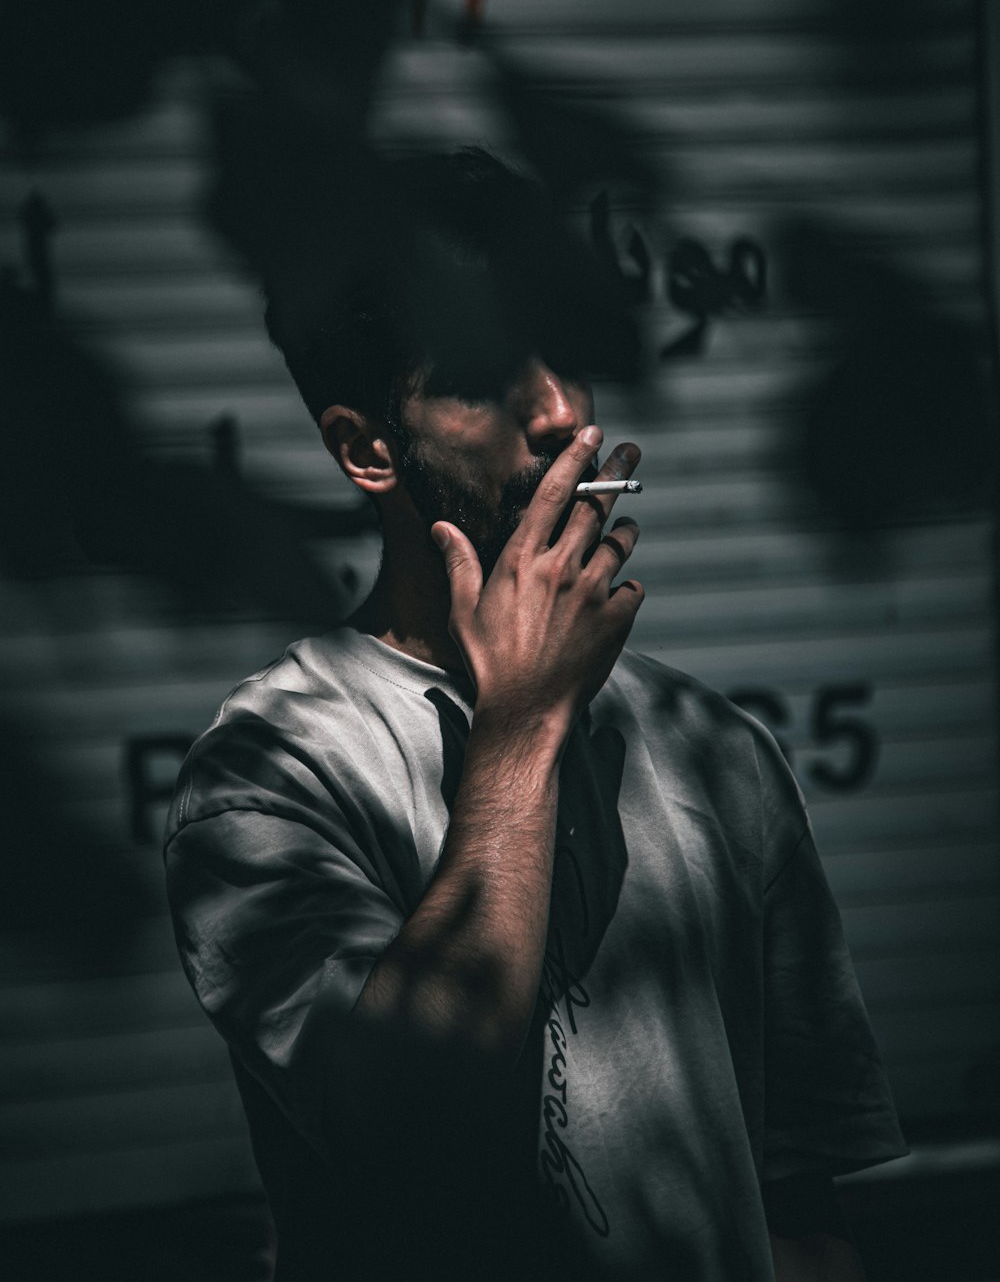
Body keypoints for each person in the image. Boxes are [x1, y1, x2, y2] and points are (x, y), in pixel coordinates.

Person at [165, 150, 906, 1282]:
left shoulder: (715, 751)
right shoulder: (274, 772)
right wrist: (517, 732)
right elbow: (409, 1136)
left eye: (566, 348)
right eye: (482, 376)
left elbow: (797, 1196)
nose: (563, 413)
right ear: (368, 450)